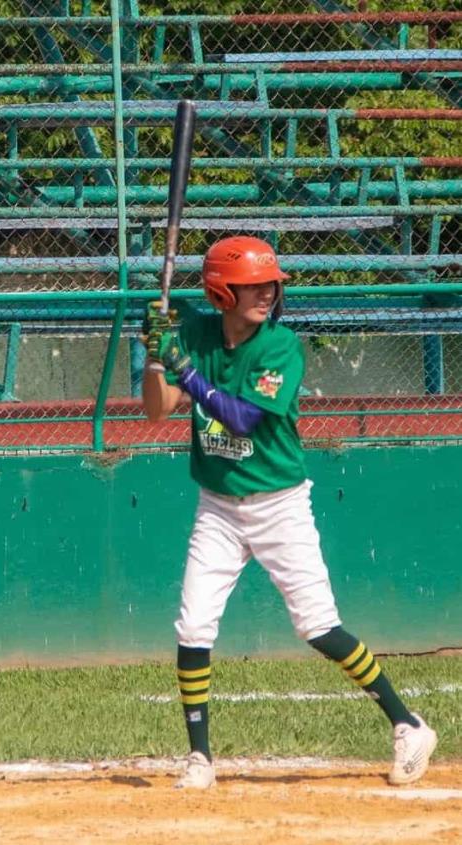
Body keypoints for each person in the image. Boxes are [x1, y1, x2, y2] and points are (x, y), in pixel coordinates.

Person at [142, 235, 437, 789]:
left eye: (270, 283)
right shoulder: (197, 336)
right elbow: (157, 412)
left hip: (279, 505)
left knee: (318, 626)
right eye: (252, 284)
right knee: (193, 623)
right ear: (220, 291)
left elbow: (241, 419)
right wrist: (157, 357)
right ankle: (200, 758)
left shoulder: (280, 347)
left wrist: (183, 366)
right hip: (218, 506)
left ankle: (407, 722)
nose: (266, 293)